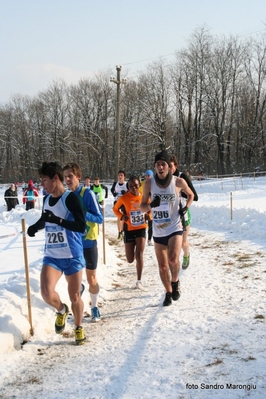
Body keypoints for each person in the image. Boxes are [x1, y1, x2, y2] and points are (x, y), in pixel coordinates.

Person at [26, 162, 86, 345]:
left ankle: (78, 327)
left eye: (44, 180)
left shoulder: (71, 199)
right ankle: (61, 310)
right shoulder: (46, 199)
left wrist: (58, 220)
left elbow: (81, 226)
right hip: (52, 255)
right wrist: (35, 227)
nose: (41, 184)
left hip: (72, 255)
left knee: (75, 296)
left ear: (55, 178)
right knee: (45, 292)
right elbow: (46, 219)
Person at [140, 150, 194, 306]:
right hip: (158, 229)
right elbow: (142, 207)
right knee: (163, 266)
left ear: (169, 167)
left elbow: (191, 195)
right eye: (157, 165)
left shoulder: (178, 182)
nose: (160, 167)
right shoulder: (149, 184)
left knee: (172, 259)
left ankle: (175, 281)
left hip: (174, 227)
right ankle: (169, 292)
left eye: (163, 164)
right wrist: (151, 205)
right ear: (155, 167)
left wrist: (186, 207)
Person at [63, 163, 104, 322]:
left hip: (88, 242)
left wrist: (84, 213)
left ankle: (94, 307)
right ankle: (78, 292)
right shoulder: (65, 196)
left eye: (70, 176)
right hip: (73, 245)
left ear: (78, 177)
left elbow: (99, 218)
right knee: (72, 280)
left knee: (91, 278)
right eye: (65, 176)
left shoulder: (87, 194)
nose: (67, 179)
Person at [113, 176, 150, 289]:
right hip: (129, 229)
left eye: (136, 185)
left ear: (139, 186)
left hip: (141, 228)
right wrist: (122, 216)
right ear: (128, 187)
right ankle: (134, 254)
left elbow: (151, 208)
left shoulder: (145, 197)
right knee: (130, 259)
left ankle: (139, 281)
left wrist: (150, 216)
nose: (133, 188)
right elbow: (115, 209)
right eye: (131, 186)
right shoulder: (124, 198)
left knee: (140, 254)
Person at [169, 155, 198, 269]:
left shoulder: (182, 177)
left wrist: (181, 193)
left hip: (183, 213)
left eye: (171, 166)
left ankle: (186, 254)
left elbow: (194, 196)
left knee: (182, 242)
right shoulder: (165, 178)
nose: (169, 169)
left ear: (176, 166)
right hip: (171, 214)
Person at [111, 170, 128, 240]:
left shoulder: (126, 184)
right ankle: (119, 232)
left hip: (125, 203)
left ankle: (122, 231)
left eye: (121, 175)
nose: (120, 177)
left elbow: (129, 192)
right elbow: (112, 190)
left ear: (124, 177)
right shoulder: (115, 183)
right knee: (119, 217)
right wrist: (114, 193)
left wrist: (125, 193)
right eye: (119, 175)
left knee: (124, 217)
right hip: (117, 202)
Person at [139, 170, 154, 245]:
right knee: (143, 222)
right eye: (146, 175)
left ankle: (149, 239)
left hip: (151, 205)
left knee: (151, 223)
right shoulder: (142, 184)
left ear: (152, 176)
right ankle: (143, 238)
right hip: (143, 204)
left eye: (149, 175)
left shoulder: (154, 184)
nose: (147, 177)